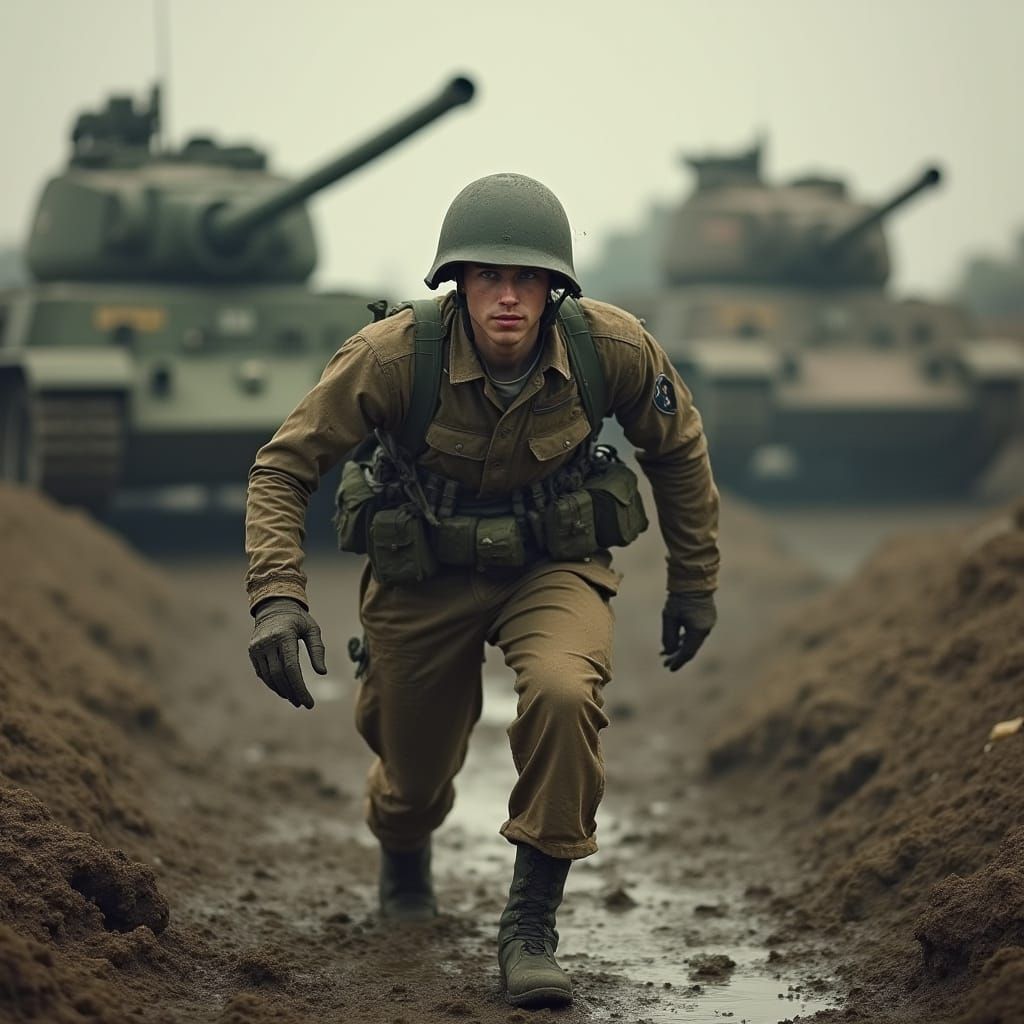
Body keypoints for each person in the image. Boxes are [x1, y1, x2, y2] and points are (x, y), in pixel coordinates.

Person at [244, 172, 720, 1008]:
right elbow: (286, 465)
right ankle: (403, 847)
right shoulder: (392, 356)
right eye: (488, 277)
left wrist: (695, 583)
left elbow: (677, 449)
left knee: (568, 693)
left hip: (553, 565)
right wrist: (278, 595)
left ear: (555, 286)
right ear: (456, 282)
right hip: (422, 573)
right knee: (412, 771)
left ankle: (530, 925)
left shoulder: (612, 349)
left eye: (527, 278)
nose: (508, 297)